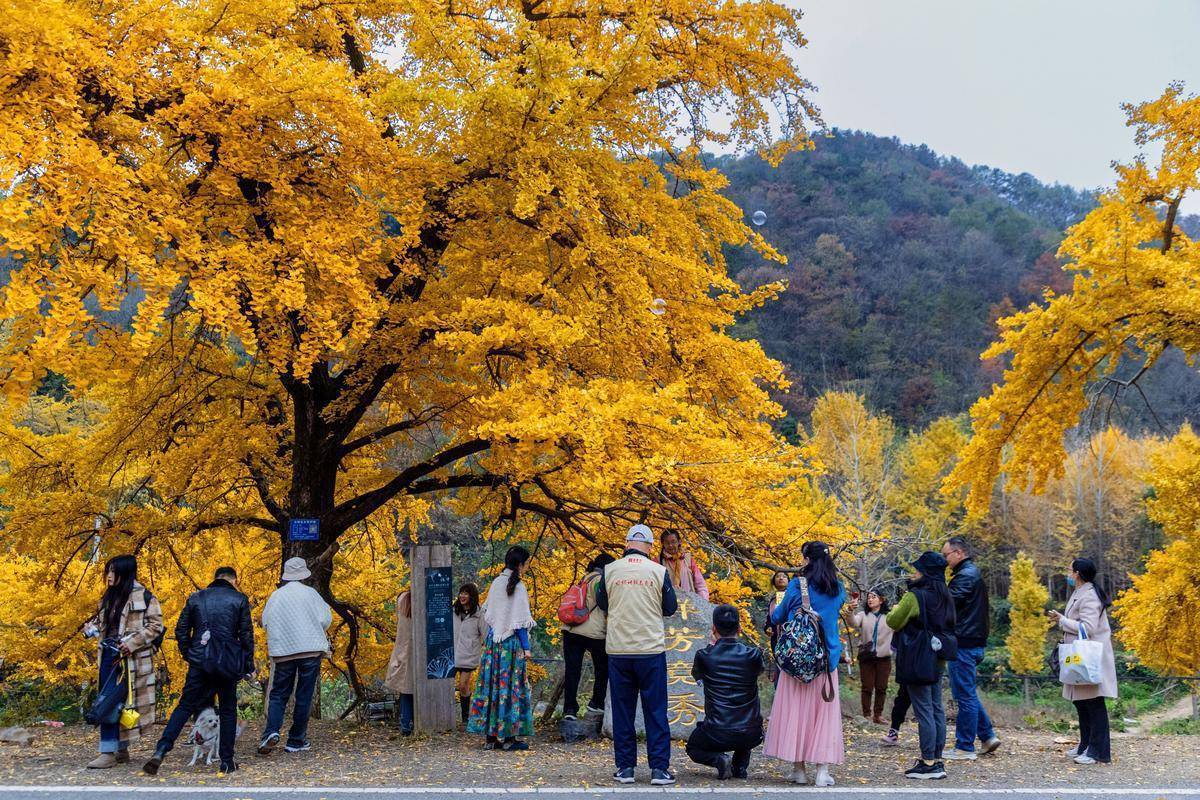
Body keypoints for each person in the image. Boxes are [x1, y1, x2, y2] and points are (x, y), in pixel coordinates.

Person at [144, 566, 254, 776]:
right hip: (227, 664)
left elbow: (181, 630)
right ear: (233, 580)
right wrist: (248, 666)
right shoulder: (239, 599)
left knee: (185, 706)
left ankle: (161, 749)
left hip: (200, 662)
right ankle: (227, 761)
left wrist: (190, 655)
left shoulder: (196, 598)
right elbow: (247, 635)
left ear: (215, 579)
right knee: (228, 710)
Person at [595, 523, 678, 786]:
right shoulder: (658, 571)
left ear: (627, 543)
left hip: (619, 650)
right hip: (650, 649)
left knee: (623, 712)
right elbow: (670, 607)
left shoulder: (610, 570)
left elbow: (602, 603)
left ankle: (626, 768)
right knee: (655, 711)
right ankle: (659, 770)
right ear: (651, 547)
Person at [764, 541, 846, 788]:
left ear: (807, 560)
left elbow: (777, 617)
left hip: (797, 660)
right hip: (826, 661)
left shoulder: (796, 585)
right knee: (823, 716)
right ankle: (822, 771)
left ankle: (798, 770)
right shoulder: (838, 589)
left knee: (797, 712)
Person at [85, 555, 164, 769]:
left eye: (113, 572)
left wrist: (133, 642)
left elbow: (156, 626)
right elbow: (103, 624)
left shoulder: (145, 597)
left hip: (132, 660)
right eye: (108, 571)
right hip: (109, 656)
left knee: (118, 703)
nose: (109, 576)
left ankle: (111, 751)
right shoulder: (108, 597)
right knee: (109, 701)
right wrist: (91, 628)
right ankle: (115, 748)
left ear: (125, 573)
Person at [887, 551, 956, 780]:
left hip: (919, 658)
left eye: (917, 569)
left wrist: (896, 608)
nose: (914, 572)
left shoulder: (915, 596)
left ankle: (927, 762)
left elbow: (893, 621)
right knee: (936, 708)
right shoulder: (946, 595)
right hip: (938, 658)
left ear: (925, 572)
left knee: (924, 710)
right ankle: (936, 760)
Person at [258, 557, 332, 756]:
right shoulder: (312, 594)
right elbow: (326, 619)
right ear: (303, 575)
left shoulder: (276, 596)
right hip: (310, 649)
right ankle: (296, 740)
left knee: (279, 694)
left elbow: (265, 621)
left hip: (283, 650)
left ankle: (271, 732)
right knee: (304, 695)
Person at [1049, 558, 1117, 765]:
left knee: (1094, 705)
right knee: (1082, 704)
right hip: (1079, 658)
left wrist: (1062, 620)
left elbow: (1088, 628)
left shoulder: (1089, 596)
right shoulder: (1080, 593)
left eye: (1070, 570)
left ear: (1077, 573)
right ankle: (1085, 745)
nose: (1068, 573)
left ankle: (1099, 752)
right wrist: (1063, 619)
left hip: (1089, 659)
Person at [468, 546, 536, 751]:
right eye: (526, 563)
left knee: (491, 687)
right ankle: (509, 738)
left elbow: (490, 616)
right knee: (511, 689)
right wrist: (527, 648)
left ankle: (490, 737)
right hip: (511, 646)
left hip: (493, 645)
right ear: (519, 564)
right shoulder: (519, 587)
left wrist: (492, 638)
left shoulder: (496, 583)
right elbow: (520, 622)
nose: (526, 566)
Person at [686, 604, 765, 779]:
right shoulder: (753, 655)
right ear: (739, 628)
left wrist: (710, 645)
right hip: (752, 732)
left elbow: (697, 678)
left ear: (714, 628)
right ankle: (740, 767)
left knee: (692, 746)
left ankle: (718, 759)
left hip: (717, 731)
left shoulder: (704, 656)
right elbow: (759, 671)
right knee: (745, 721)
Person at [941, 536, 1001, 760]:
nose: (945, 559)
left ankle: (964, 746)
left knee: (964, 696)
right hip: (971, 641)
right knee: (967, 693)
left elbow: (947, 603)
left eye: (946, 555)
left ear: (959, 553)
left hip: (964, 643)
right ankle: (987, 736)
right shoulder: (969, 574)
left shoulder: (965, 576)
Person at [561, 553, 615, 721]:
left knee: (572, 671)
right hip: (593, 632)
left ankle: (569, 709)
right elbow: (605, 603)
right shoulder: (600, 580)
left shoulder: (583, 578)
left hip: (571, 629)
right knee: (603, 668)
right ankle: (596, 702)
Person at [852, 588, 893, 724]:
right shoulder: (863, 615)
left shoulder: (890, 616)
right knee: (867, 686)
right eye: (869, 597)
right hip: (866, 656)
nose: (870, 599)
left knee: (881, 687)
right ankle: (866, 714)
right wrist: (850, 610)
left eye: (873, 597)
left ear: (881, 600)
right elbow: (853, 622)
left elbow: (899, 626)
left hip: (884, 656)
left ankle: (878, 715)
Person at [452, 582, 487, 725]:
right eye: (461, 593)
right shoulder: (453, 611)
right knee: (446, 684)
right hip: (451, 653)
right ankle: (448, 716)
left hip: (469, 654)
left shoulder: (479, 614)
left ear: (472, 596)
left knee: (463, 685)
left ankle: (465, 717)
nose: (462, 596)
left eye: (466, 593)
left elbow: (485, 635)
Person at [384, 590, 415, 735]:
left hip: (403, 650)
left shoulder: (402, 599)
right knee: (413, 690)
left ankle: (405, 725)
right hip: (416, 651)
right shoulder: (419, 599)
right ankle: (412, 724)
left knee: (405, 690)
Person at [659, 530, 709, 600]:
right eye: (667, 543)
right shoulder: (658, 561)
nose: (670, 545)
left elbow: (700, 585)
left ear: (679, 542)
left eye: (673, 542)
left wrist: (704, 603)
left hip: (689, 604)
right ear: (663, 544)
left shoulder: (688, 559)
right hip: (667, 606)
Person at [763, 571, 789, 682]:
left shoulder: (792, 597)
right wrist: (767, 628)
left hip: (790, 638)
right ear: (774, 582)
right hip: (776, 640)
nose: (781, 578)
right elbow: (769, 619)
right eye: (778, 576)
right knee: (779, 669)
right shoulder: (773, 601)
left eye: (784, 576)